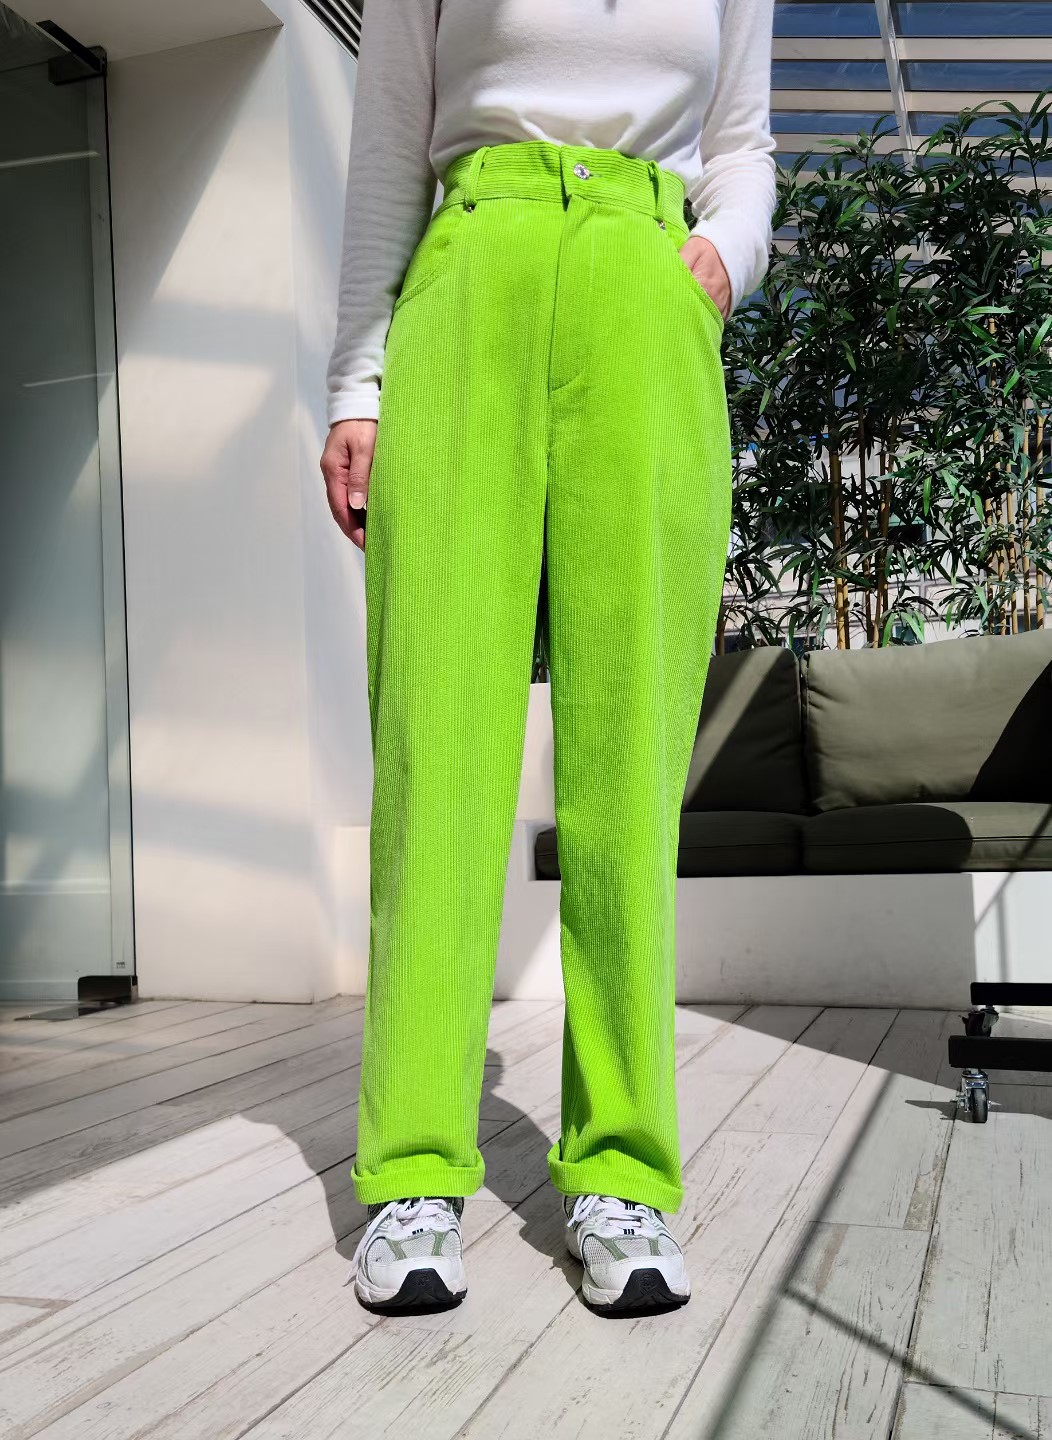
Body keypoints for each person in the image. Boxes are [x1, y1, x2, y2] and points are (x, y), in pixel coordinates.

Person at [320, 0, 777, 1317]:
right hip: (472, 276)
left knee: (629, 765)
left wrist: (721, 260)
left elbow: (742, 144)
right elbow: (387, 146)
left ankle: (621, 1171)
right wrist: (357, 384)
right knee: (435, 750)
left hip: (646, 290)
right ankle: (414, 1170)